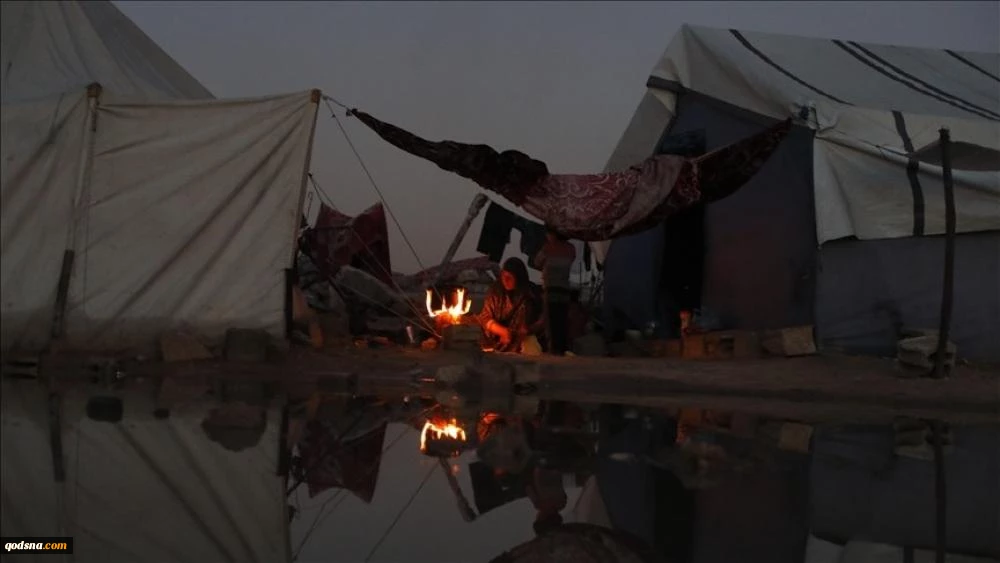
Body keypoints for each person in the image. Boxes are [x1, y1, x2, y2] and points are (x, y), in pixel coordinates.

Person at [479, 257, 543, 353]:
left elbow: (544, 317)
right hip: (497, 338)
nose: (505, 280)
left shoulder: (531, 292)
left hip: (522, 338)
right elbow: (485, 317)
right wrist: (501, 331)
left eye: (510, 277)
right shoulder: (496, 290)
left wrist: (531, 328)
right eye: (503, 276)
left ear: (518, 278)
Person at [531, 229, 576, 355]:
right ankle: (562, 349)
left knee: (550, 322)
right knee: (562, 321)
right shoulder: (571, 248)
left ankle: (553, 350)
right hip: (564, 289)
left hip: (550, 289)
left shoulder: (547, 248)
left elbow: (536, 262)